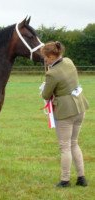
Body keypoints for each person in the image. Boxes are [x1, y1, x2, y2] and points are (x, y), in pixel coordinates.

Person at [40, 41, 89, 187]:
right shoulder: (68, 61)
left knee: (65, 146)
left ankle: (65, 180)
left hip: (65, 112)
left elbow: (45, 95)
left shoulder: (52, 74)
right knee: (74, 143)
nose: (45, 60)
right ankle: (81, 178)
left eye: (46, 57)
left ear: (51, 56)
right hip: (80, 107)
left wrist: (44, 86)